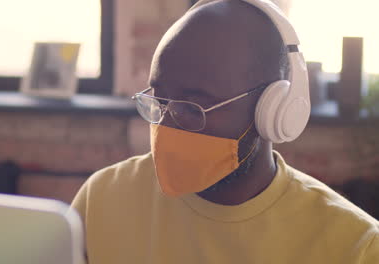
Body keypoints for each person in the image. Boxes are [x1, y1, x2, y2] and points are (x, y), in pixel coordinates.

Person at [72, 0, 379, 263]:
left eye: (194, 107)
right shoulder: (102, 198)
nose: (165, 124)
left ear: (271, 110)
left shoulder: (356, 247)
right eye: (160, 99)